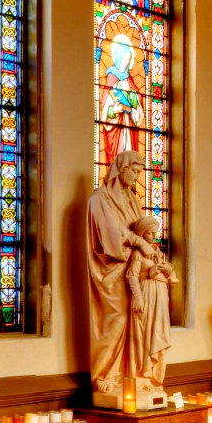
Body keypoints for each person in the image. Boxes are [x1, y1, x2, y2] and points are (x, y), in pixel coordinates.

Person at [86, 150, 155, 394]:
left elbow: (142, 229)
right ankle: (107, 375)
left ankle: (131, 376)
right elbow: (109, 234)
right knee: (117, 320)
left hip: (134, 271)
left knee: (136, 321)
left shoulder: (132, 200)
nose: (137, 177)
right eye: (135, 171)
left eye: (140, 172)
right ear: (121, 168)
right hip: (111, 271)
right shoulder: (99, 199)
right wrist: (137, 241)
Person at [126, 215, 175, 390]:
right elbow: (132, 276)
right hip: (146, 294)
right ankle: (143, 376)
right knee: (145, 335)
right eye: (149, 233)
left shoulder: (156, 252)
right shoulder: (138, 252)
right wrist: (137, 297)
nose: (153, 236)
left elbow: (166, 272)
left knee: (160, 334)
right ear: (141, 233)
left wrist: (168, 270)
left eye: (155, 232)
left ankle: (156, 379)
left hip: (160, 294)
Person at [99, 34, 145, 166]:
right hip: (116, 126)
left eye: (129, 59)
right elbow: (105, 106)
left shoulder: (129, 79)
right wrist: (114, 110)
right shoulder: (111, 76)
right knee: (119, 160)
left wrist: (134, 97)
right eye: (125, 58)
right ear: (119, 57)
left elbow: (138, 98)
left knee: (129, 155)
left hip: (129, 126)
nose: (126, 61)